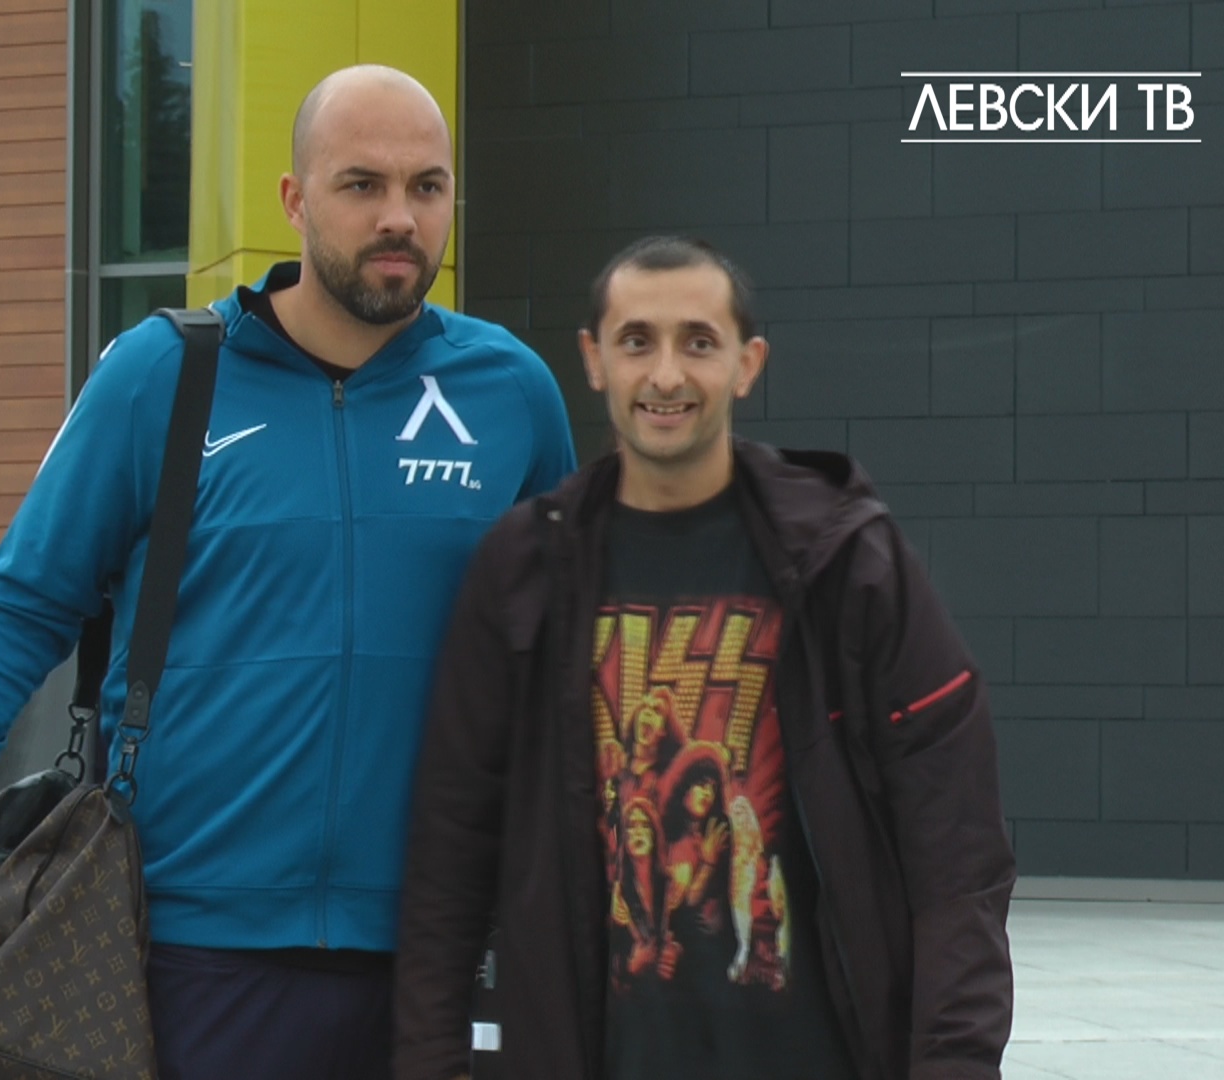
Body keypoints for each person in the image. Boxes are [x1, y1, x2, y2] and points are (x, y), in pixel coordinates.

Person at [0, 65, 577, 1079]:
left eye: (427, 187)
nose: (399, 217)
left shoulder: (510, 393)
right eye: (362, 184)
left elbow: (571, 659)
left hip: (438, 960)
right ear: (294, 199)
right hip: (193, 953)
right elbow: (17, 612)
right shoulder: (163, 375)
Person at [393, 236, 1015, 1080]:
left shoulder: (847, 564)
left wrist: (955, 1065)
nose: (666, 376)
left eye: (697, 342)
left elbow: (958, 854)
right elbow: (448, 857)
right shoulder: (524, 572)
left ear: (747, 363)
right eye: (637, 341)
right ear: (594, 360)